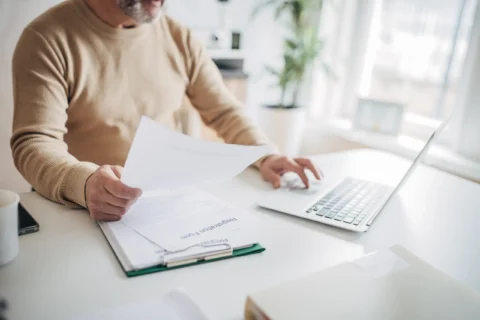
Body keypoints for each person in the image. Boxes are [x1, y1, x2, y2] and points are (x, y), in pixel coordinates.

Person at [10, 0, 322, 222]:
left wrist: (265, 154)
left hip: (166, 208)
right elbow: (35, 142)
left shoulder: (179, 37)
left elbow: (224, 111)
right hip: (79, 212)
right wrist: (84, 182)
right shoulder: (46, 38)